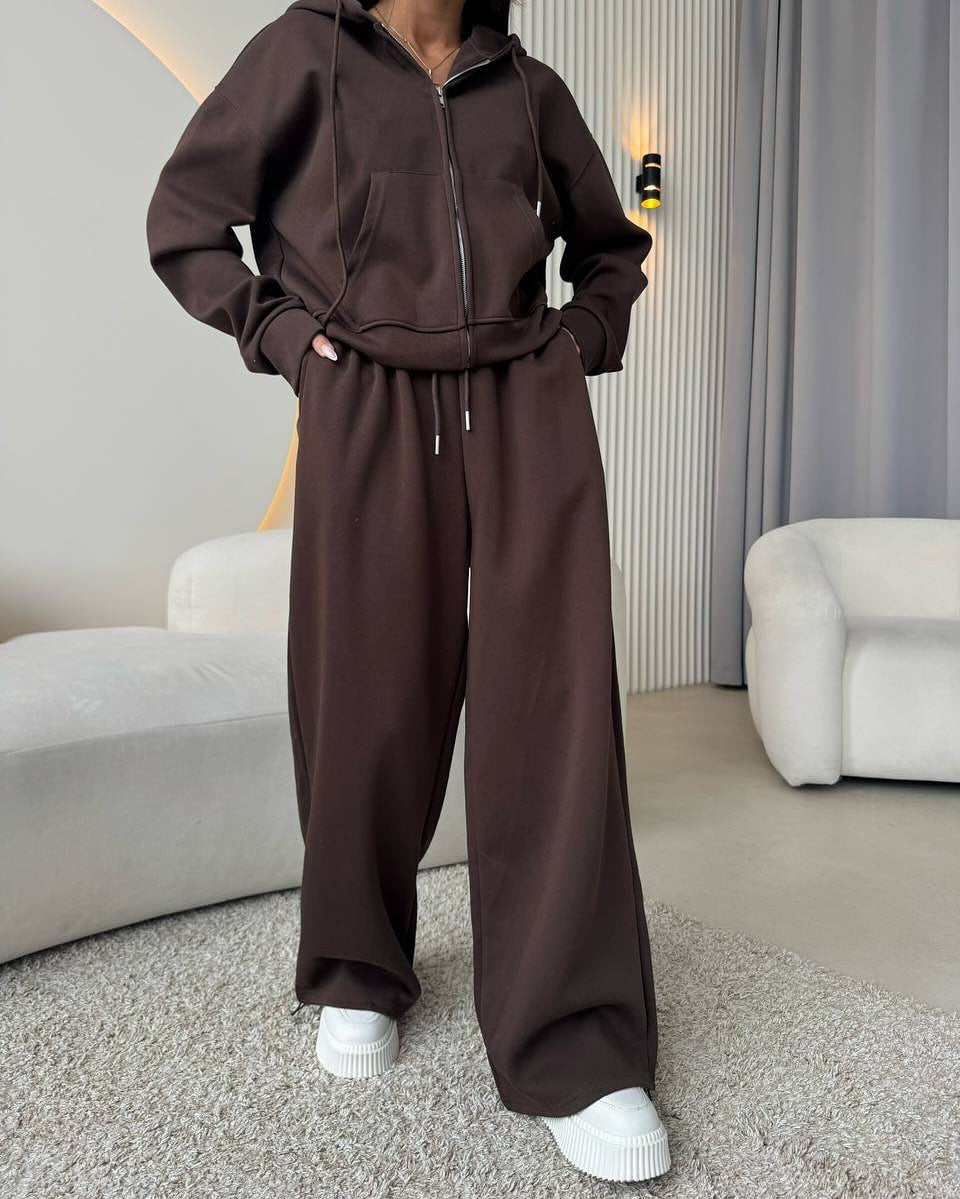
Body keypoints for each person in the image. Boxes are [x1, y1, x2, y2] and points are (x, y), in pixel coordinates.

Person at [146, 0, 669, 1182]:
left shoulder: (526, 86)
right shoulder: (300, 55)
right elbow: (185, 221)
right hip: (368, 401)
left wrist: (579, 337)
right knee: (366, 693)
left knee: (555, 706)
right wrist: (284, 338)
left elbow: (611, 246)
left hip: (523, 401)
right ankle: (357, 962)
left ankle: (575, 1036)